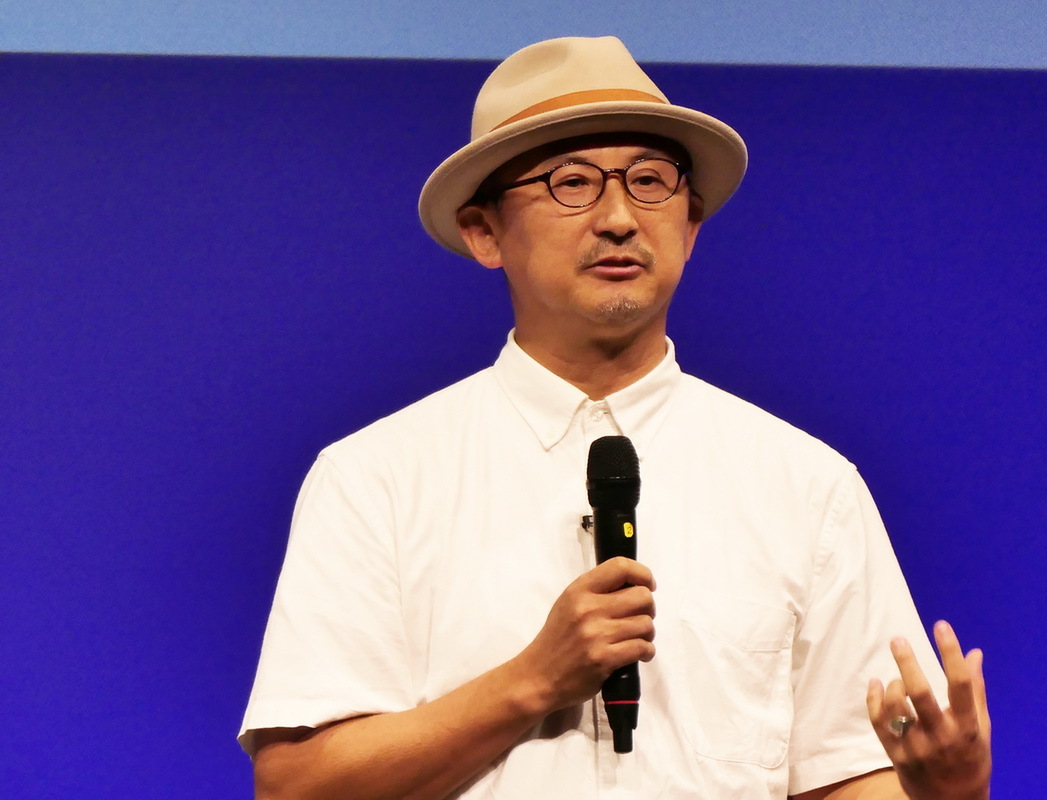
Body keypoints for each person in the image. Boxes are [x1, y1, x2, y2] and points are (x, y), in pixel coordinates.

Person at [240, 36, 992, 800]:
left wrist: (951, 793)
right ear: (484, 231)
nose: (620, 218)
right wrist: (532, 681)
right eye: (572, 183)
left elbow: (853, 778)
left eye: (650, 181)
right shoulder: (376, 479)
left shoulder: (807, 486)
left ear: (691, 226)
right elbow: (296, 785)